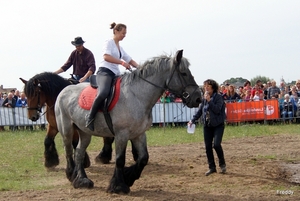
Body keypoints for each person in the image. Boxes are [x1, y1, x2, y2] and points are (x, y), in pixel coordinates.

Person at [85, 22, 139, 131]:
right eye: (123, 33)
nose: (124, 35)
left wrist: (141, 68)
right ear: (116, 31)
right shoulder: (108, 42)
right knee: (104, 92)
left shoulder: (120, 48)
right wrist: (122, 63)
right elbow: (106, 57)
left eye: (125, 33)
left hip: (116, 74)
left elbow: (130, 60)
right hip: (105, 72)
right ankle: (90, 117)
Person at [188, 79, 226, 176]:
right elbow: (200, 111)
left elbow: (217, 110)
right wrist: (192, 120)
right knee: (208, 147)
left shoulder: (219, 97)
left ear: (213, 88)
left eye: (208, 86)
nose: (206, 88)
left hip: (218, 125)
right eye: (205, 86)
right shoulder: (204, 99)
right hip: (207, 125)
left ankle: (222, 164)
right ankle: (212, 167)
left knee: (216, 145)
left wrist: (209, 101)